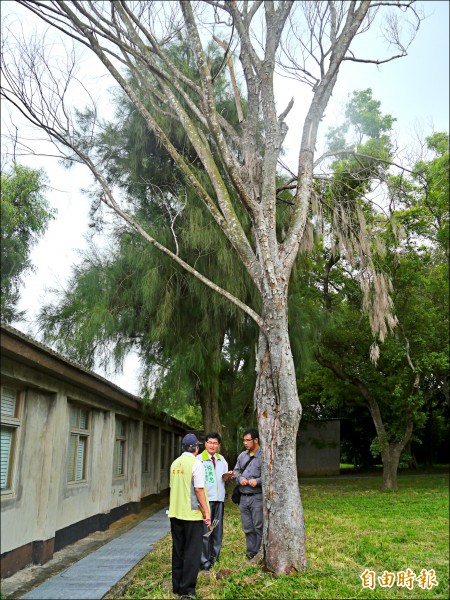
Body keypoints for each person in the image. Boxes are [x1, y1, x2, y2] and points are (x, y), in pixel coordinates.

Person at [168, 433, 211, 599]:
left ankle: (177, 586)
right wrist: (206, 512)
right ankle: (187, 590)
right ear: (195, 448)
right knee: (192, 553)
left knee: (178, 550)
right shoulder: (196, 463)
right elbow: (199, 490)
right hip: (192, 515)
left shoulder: (174, 464)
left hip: (175, 513)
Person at [197, 431, 234, 570]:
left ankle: (214, 557)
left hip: (219, 500)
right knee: (206, 530)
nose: (212, 445)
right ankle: (203, 560)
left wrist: (228, 477)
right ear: (205, 443)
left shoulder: (221, 459)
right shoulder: (199, 460)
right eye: (209, 442)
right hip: (206, 501)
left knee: (217, 529)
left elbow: (224, 478)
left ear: (219, 445)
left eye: (215, 443)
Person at [233, 428, 263, 559]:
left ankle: (259, 553)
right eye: (243, 440)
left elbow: (271, 476)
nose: (245, 443)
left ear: (256, 440)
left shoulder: (264, 455)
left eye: (248, 440)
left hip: (257, 497)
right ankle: (251, 552)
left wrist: (257, 481)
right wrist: (240, 479)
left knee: (258, 526)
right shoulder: (242, 456)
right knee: (247, 527)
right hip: (243, 497)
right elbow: (236, 472)